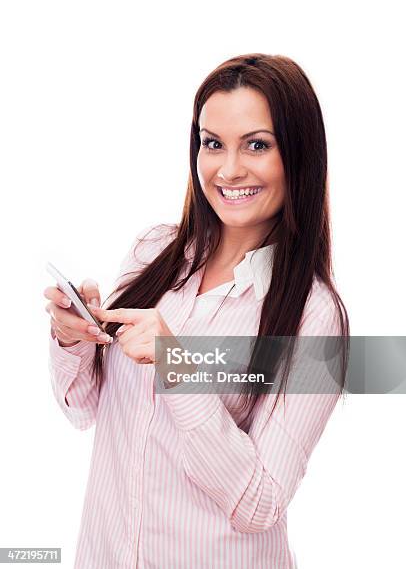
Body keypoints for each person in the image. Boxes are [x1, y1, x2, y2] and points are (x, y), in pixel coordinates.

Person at [43, 53, 350, 569]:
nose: (228, 170)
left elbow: (259, 503)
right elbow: (82, 409)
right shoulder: (153, 253)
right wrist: (73, 338)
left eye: (257, 144)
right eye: (213, 144)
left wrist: (179, 366)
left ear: (298, 154)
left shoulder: (316, 317)